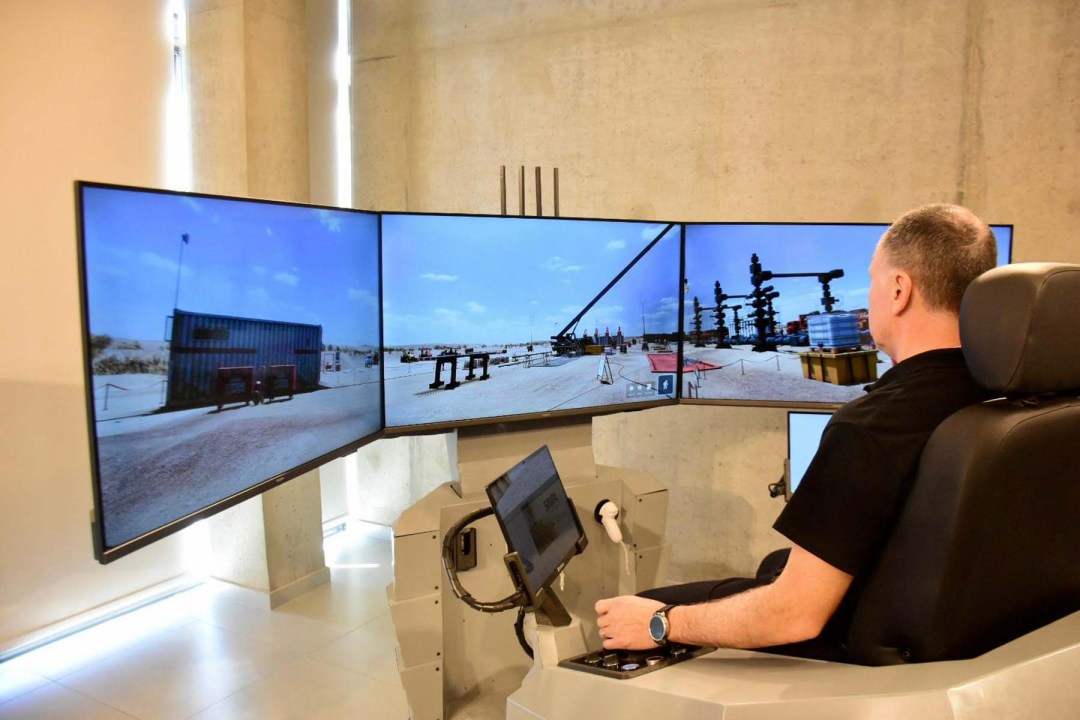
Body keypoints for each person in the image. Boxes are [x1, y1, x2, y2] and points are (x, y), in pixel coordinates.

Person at [595, 203, 999, 656]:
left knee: (634, 612)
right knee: (776, 562)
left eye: (872, 281)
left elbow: (794, 615)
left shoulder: (870, 429)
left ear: (899, 290)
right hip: (958, 631)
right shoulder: (1013, 395)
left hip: (854, 647)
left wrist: (660, 623)